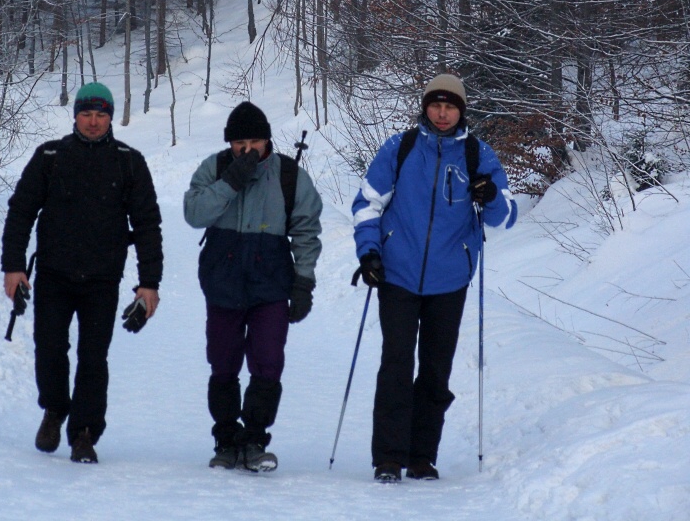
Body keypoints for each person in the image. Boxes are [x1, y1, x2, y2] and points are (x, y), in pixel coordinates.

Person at [352, 73, 516, 483]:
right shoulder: (400, 148)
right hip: (397, 273)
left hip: (450, 279)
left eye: (450, 106)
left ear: (461, 111)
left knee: (435, 370)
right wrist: (369, 251)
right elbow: (368, 204)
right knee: (396, 364)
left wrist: (491, 197)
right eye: (435, 105)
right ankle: (388, 458)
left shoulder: (478, 155)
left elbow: (508, 216)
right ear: (425, 107)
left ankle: (422, 456)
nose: (442, 113)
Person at [1, 82, 163, 464]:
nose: (93, 122)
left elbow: (146, 225)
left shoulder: (129, 162)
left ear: (111, 118)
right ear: (75, 115)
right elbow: (21, 212)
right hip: (54, 275)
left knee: (94, 357)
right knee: (50, 348)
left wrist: (148, 284)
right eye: (87, 114)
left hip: (102, 279)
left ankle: (84, 433)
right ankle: (55, 409)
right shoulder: (50, 157)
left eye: (101, 114)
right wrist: (14, 267)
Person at [184, 101, 322, 473]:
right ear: (229, 143)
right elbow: (194, 213)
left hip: (271, 285)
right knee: (223, 362)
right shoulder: (214, 169)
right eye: (240, 142)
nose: (248, 149)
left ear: (267, 141)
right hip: (223, 283)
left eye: (255, 141)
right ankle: (226, 438)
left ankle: (256, 438)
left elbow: (307, 231)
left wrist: (303, 283)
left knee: (268, 362)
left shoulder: (289, 176)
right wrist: (231, 181)